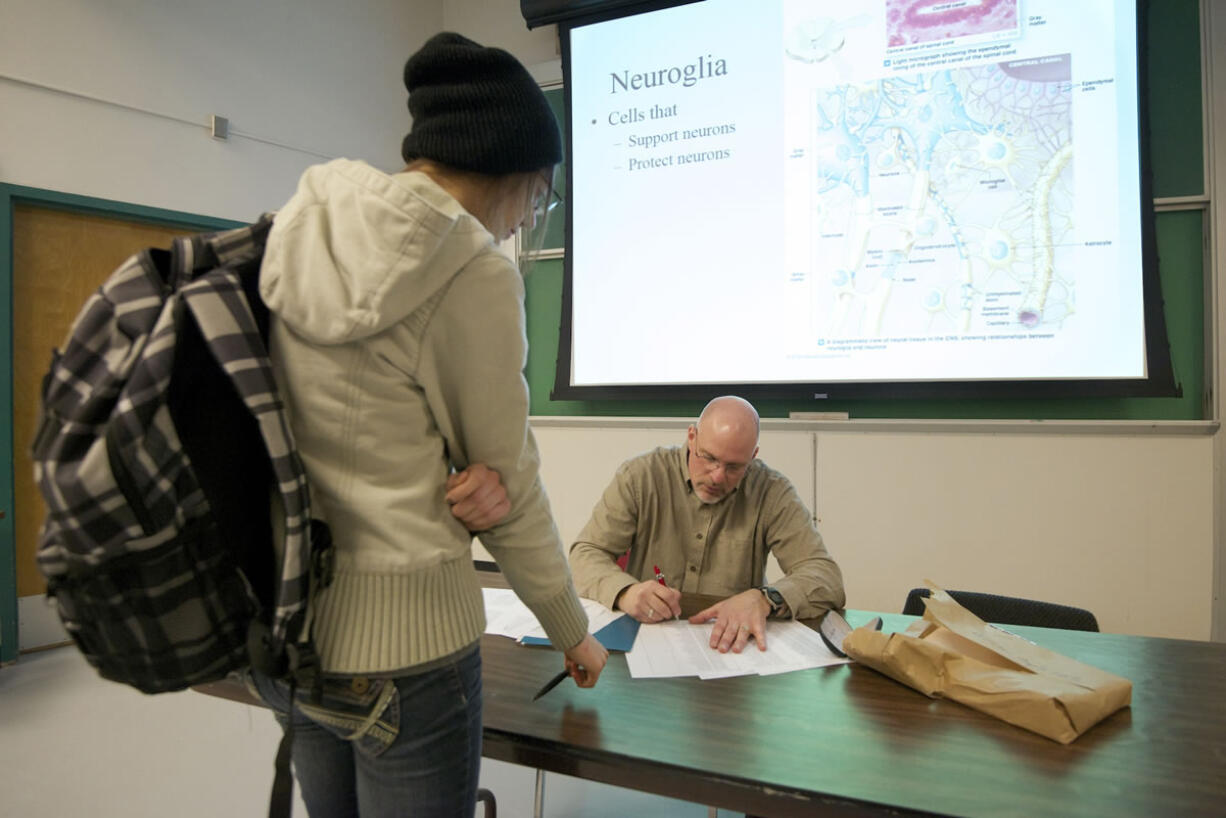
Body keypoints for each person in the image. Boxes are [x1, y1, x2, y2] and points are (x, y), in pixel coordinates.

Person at [247, 31, 607, 818]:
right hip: (404, 649)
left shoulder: (299, 226)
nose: (525, 220)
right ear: (513, 174)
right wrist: (570, 628)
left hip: (288, 620)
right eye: (538, 197)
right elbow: (507, 476)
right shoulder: (473, 270)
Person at [569, 396, 845, 655]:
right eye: (709, 458)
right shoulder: (641, 476)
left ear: (753, 455)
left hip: (730, 649)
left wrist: (764, 599)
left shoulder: (771, 491)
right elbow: (585, 553)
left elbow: (825, 577)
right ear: (692, 437)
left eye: (734, 467)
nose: (717, 476)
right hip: (647, 642)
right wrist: (626, 592)